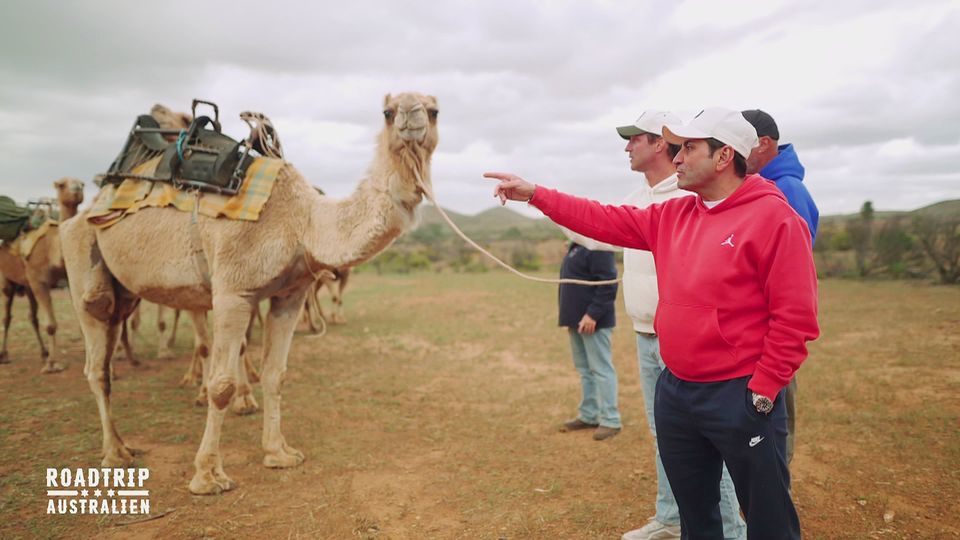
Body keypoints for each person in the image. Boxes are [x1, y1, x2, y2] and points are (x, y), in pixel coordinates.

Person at [486, 108, 819, 539]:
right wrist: (535, 194)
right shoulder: (674, 215)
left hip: (738, 392)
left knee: (768, 522)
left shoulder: (775, 218)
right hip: (677, 391)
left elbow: (796, 319)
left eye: (688, 148)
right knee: (695, 519)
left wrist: (761, 393)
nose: (676, 158)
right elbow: (600, 218)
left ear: (723, 157)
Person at [562, 110, 745, 540]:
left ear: (660, 144)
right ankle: (669, 518)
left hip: (686, 342)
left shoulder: (686, 198)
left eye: (634, 139)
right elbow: (596, 230)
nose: (627, 147)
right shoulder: (637, 199)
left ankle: (731, 530)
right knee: (666, 436)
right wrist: (537, 198)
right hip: (646, 335)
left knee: (704, 444)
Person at [742, 109, 819, 466]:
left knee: (777, 410)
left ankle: (777, 489)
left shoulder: (786, 190)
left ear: (765, 143)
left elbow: (792, 273)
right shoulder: (760, 186)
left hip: (773, 330)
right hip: (753, 330)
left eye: (743, 142)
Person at [557, 241, 621, 441]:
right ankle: (589, 414)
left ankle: (611, 419)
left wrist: (592, 315)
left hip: (593, 322)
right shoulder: (577, 245)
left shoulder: (599, 245)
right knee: (585, 370)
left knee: (601, 369)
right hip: (576, 321)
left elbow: (608, 283)